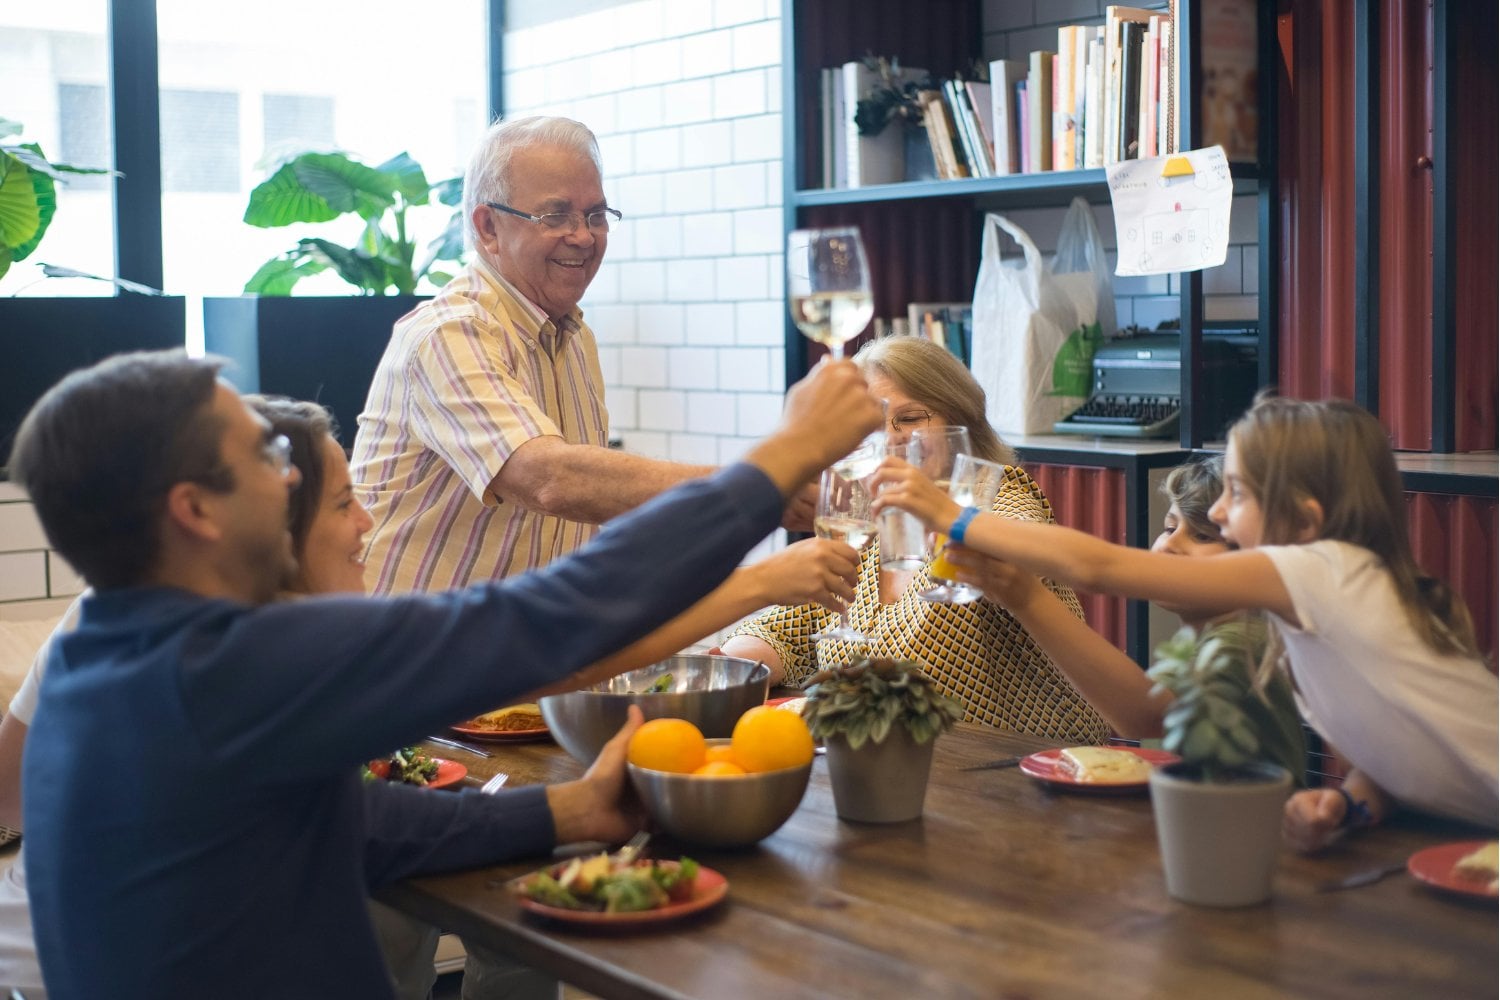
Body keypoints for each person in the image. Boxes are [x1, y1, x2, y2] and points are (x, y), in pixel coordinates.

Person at [9, 349, 880, 998]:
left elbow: (352, 825)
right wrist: (783, 457)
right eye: (265, 460)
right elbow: (555, 615)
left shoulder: (102, 658)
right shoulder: (231, 666)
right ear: (193, 510)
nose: (291, 482)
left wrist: (564, 809)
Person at [873, 393, 1498, 848]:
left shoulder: (1322, 568)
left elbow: (1097, 567)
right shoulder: (1317, 609)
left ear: (1305, 523)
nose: (1220, 511)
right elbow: (1401, 747)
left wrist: (949, 514)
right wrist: (1353, 802)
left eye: (1240, 493)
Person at [350, 114, 811, 599]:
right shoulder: (448, 335)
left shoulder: (572, 336)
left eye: (595, 215)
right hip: (405, 657)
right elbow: (552, 479)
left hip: (510, 652)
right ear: (488, 228)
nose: (584, 237)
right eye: (557, 216)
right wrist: (761, 487)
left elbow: (574, 526)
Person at [723, 337, 1109, 743]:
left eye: (909, 418)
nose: (890, 440)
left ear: (959, 423)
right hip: (904, 772)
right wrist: (725, 670)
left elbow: (1032, 551)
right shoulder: (869, 523)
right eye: (871, 426)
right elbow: (787, 629)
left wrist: (948, 519)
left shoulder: (991, 495)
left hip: (1035, 773)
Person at [948, 456, 1305, 777]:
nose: (1167, 545)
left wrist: (1024, 596)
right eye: (1169, 527)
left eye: (1201, 535)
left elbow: (1145, 713)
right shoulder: (1200, 638)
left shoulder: (1246, 639)